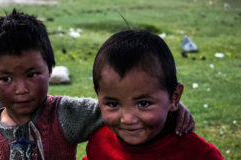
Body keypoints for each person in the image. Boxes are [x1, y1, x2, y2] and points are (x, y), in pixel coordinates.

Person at [0, 9, 194, 160]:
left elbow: (119, 109)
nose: (21, 89)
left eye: (32, 74)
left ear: (49, 71)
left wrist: (170, 108)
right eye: (6, 79)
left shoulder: (65, 114)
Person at [84, 30, 223, 160]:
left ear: (174, 98)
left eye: (143, 104)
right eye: (113, 104)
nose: (127, 119)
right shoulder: (99, 141)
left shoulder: (196, 153)